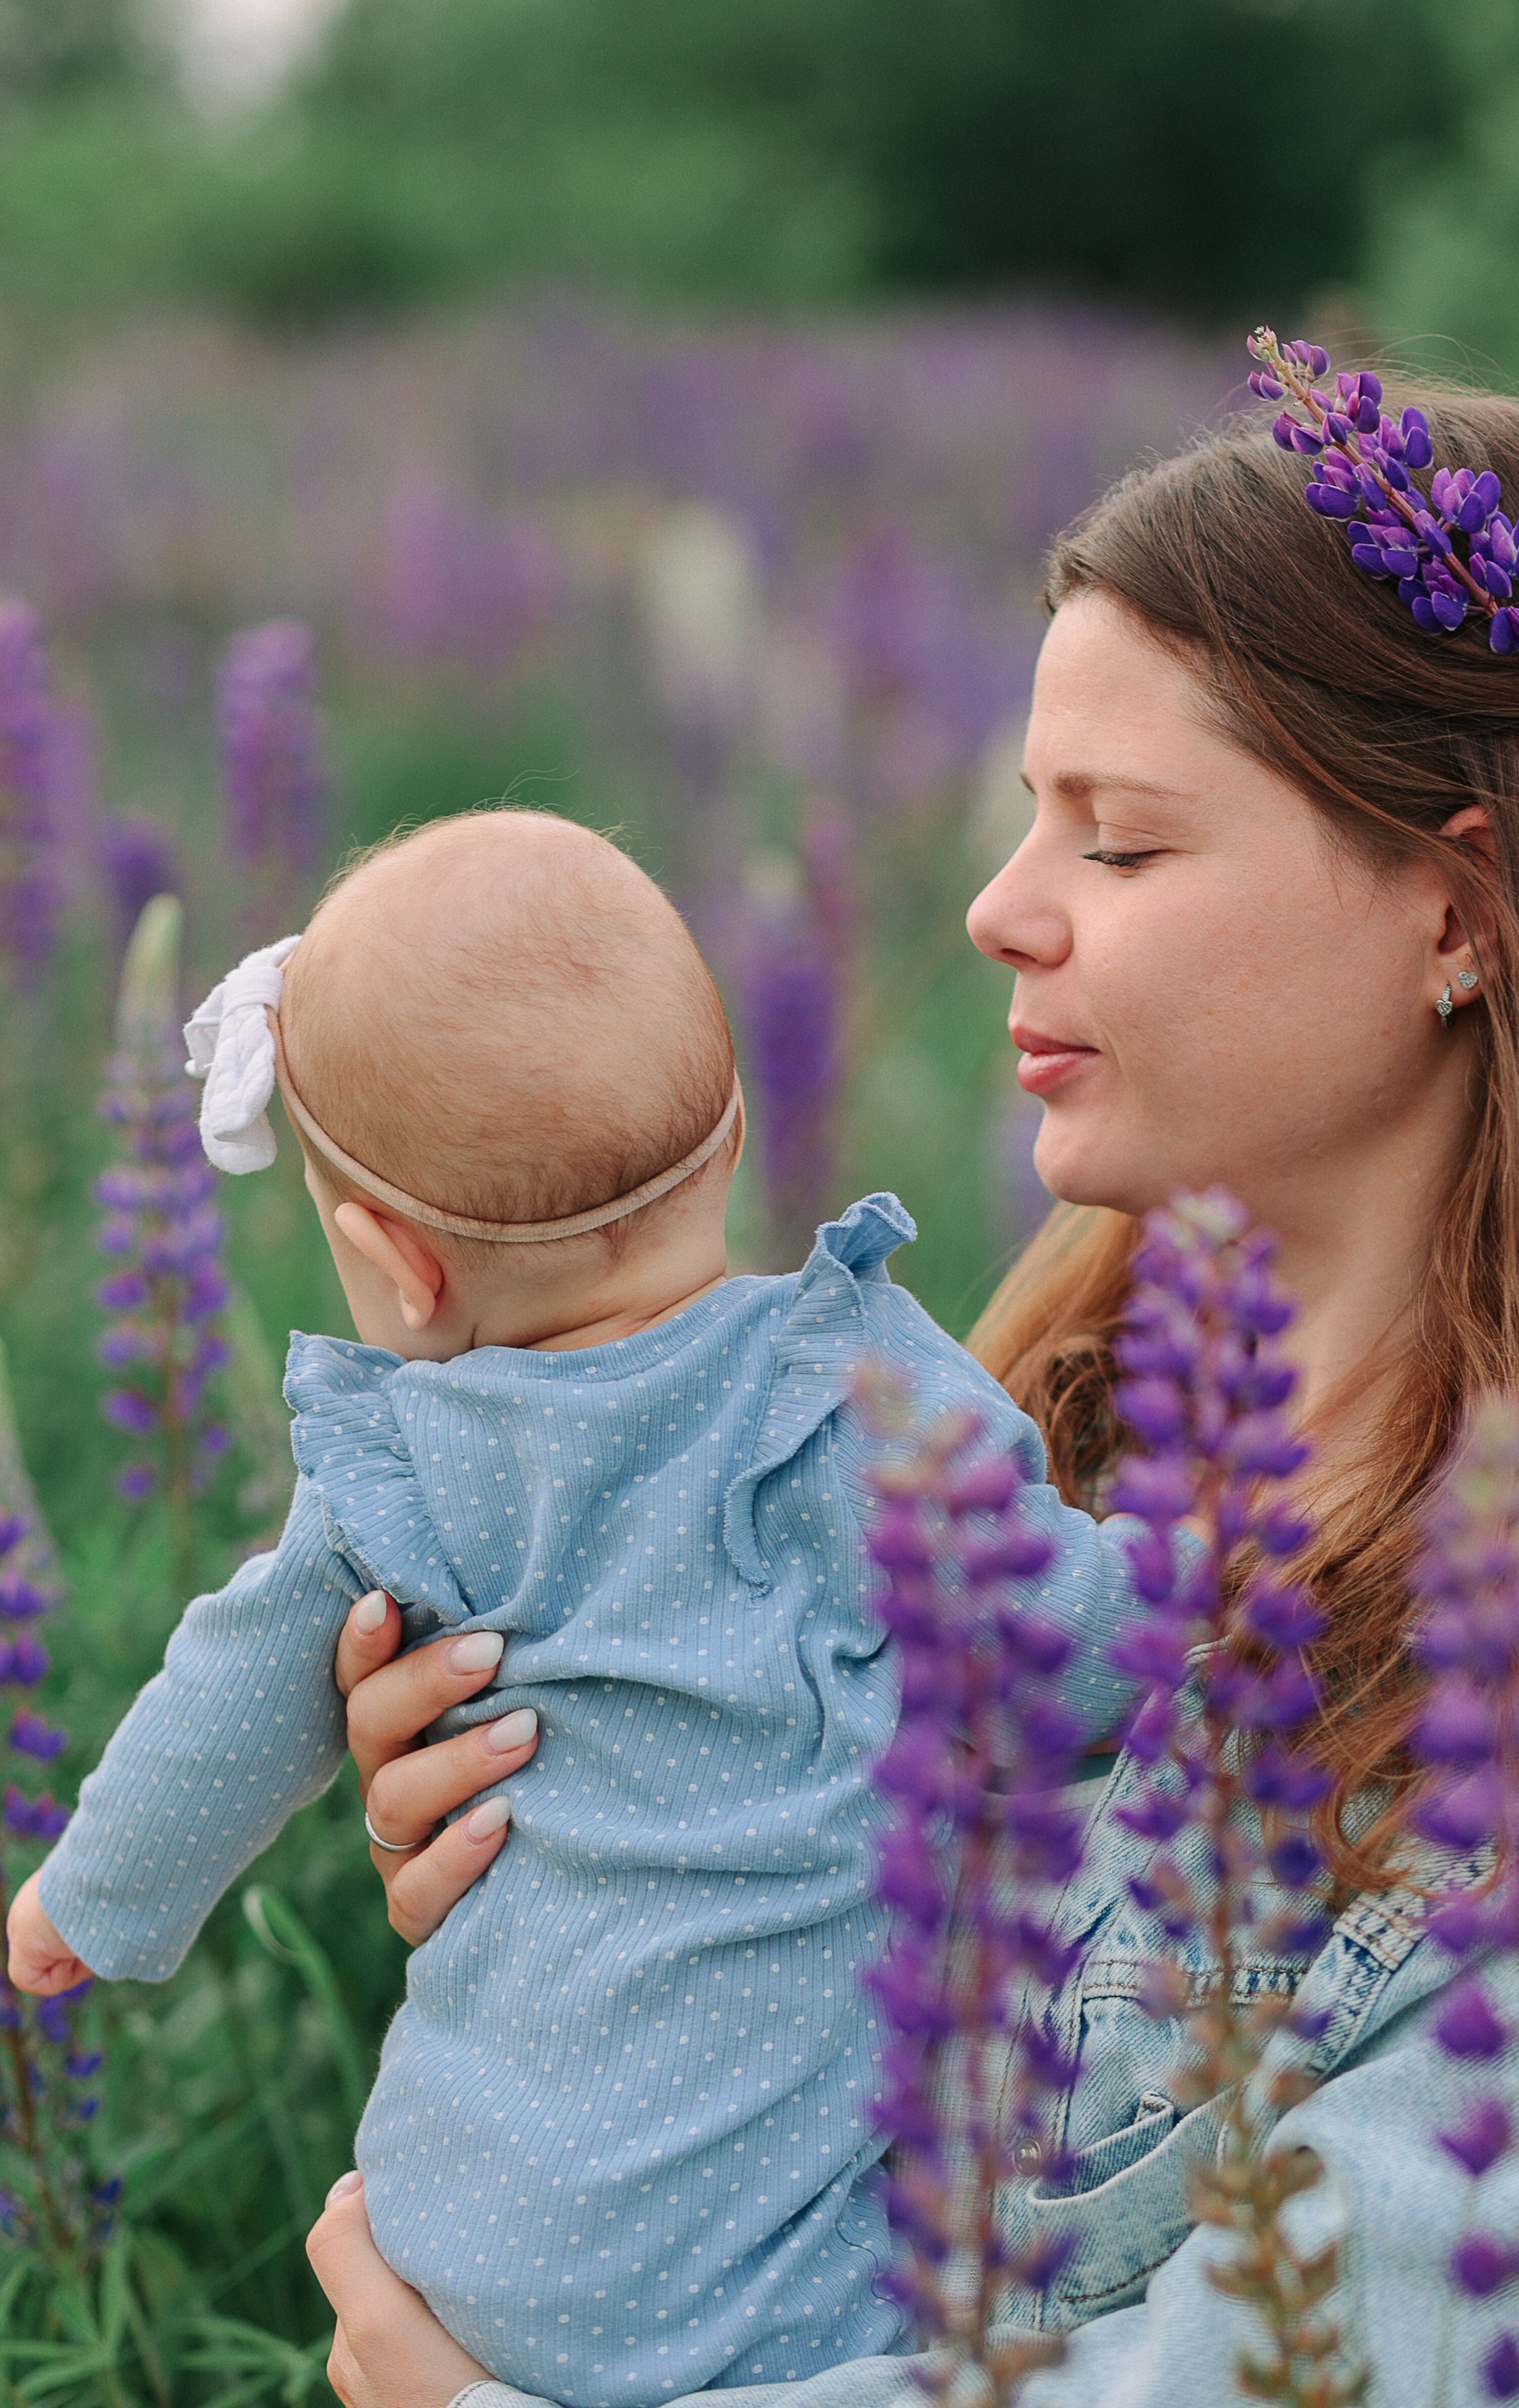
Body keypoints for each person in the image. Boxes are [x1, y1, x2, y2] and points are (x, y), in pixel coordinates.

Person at [317, 377, 1519, 2404]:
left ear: (1461, 913)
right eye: (1032, 813)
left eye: (1118, 843)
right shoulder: (1023, 1447)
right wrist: (589, 1849)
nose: (999, 909)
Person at [5, 811, 1146, 2408]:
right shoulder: (844, 1389)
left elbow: (238, 1688)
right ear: (742, 1135)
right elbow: (1076, 1650)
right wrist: (1221, 1579)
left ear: (391, 1263)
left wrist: (87, 1901)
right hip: (763, 2289)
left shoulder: (399, 1465)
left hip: (451, 2244)